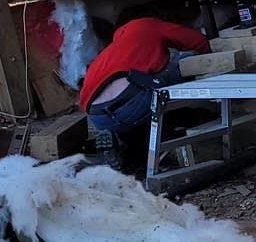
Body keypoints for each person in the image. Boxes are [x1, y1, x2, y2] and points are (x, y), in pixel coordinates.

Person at [80, 15, 209, 159]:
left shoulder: (111, 51)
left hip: (97, 116)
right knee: (183, 60)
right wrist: (212, 58)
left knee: (142, 90)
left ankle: (126, 149)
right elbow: (198, 41)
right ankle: (169, 131)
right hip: (132, 102)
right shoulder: (147, 24)